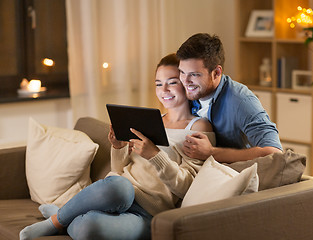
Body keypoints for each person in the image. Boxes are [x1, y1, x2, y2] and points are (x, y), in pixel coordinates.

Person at [19, 53, 214, 240]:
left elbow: (188, 187)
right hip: (118, 193)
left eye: (172, 82)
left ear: (187, 83)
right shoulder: (150, 119)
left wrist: (155, 155)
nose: (164, 90)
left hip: (148, 213)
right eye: (158, 84)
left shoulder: (198, 127)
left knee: (88, 229)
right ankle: (55, 221)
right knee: (120, 186)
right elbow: (117, 171)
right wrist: (119, 147)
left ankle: (63, 214)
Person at [176, 33, 282, 163]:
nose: (185, 81)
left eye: (194, 74)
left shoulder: (241, 100)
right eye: (182, 72)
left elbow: (274, 153)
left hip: (232, 177)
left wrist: (211, 153)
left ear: (217, 73)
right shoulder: (185, 92)